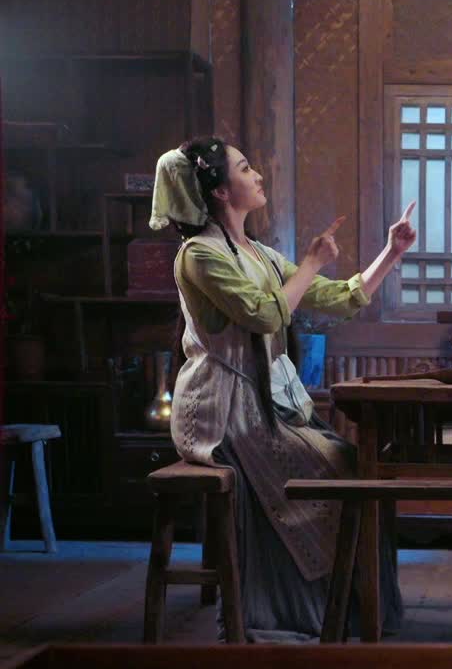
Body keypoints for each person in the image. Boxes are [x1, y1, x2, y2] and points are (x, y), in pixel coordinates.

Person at [150, 136, 416, 641]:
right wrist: (311, 262)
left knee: (356, 464)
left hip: (266, 400)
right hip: (221, 409)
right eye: (245, 168)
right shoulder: (198, 255)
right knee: (338, 467)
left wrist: (391, 252)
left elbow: (336, 298)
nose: (257, 176)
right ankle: (294, 610)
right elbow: (264, 315)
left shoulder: (260, 255)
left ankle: (347, 608)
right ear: (220, 191)